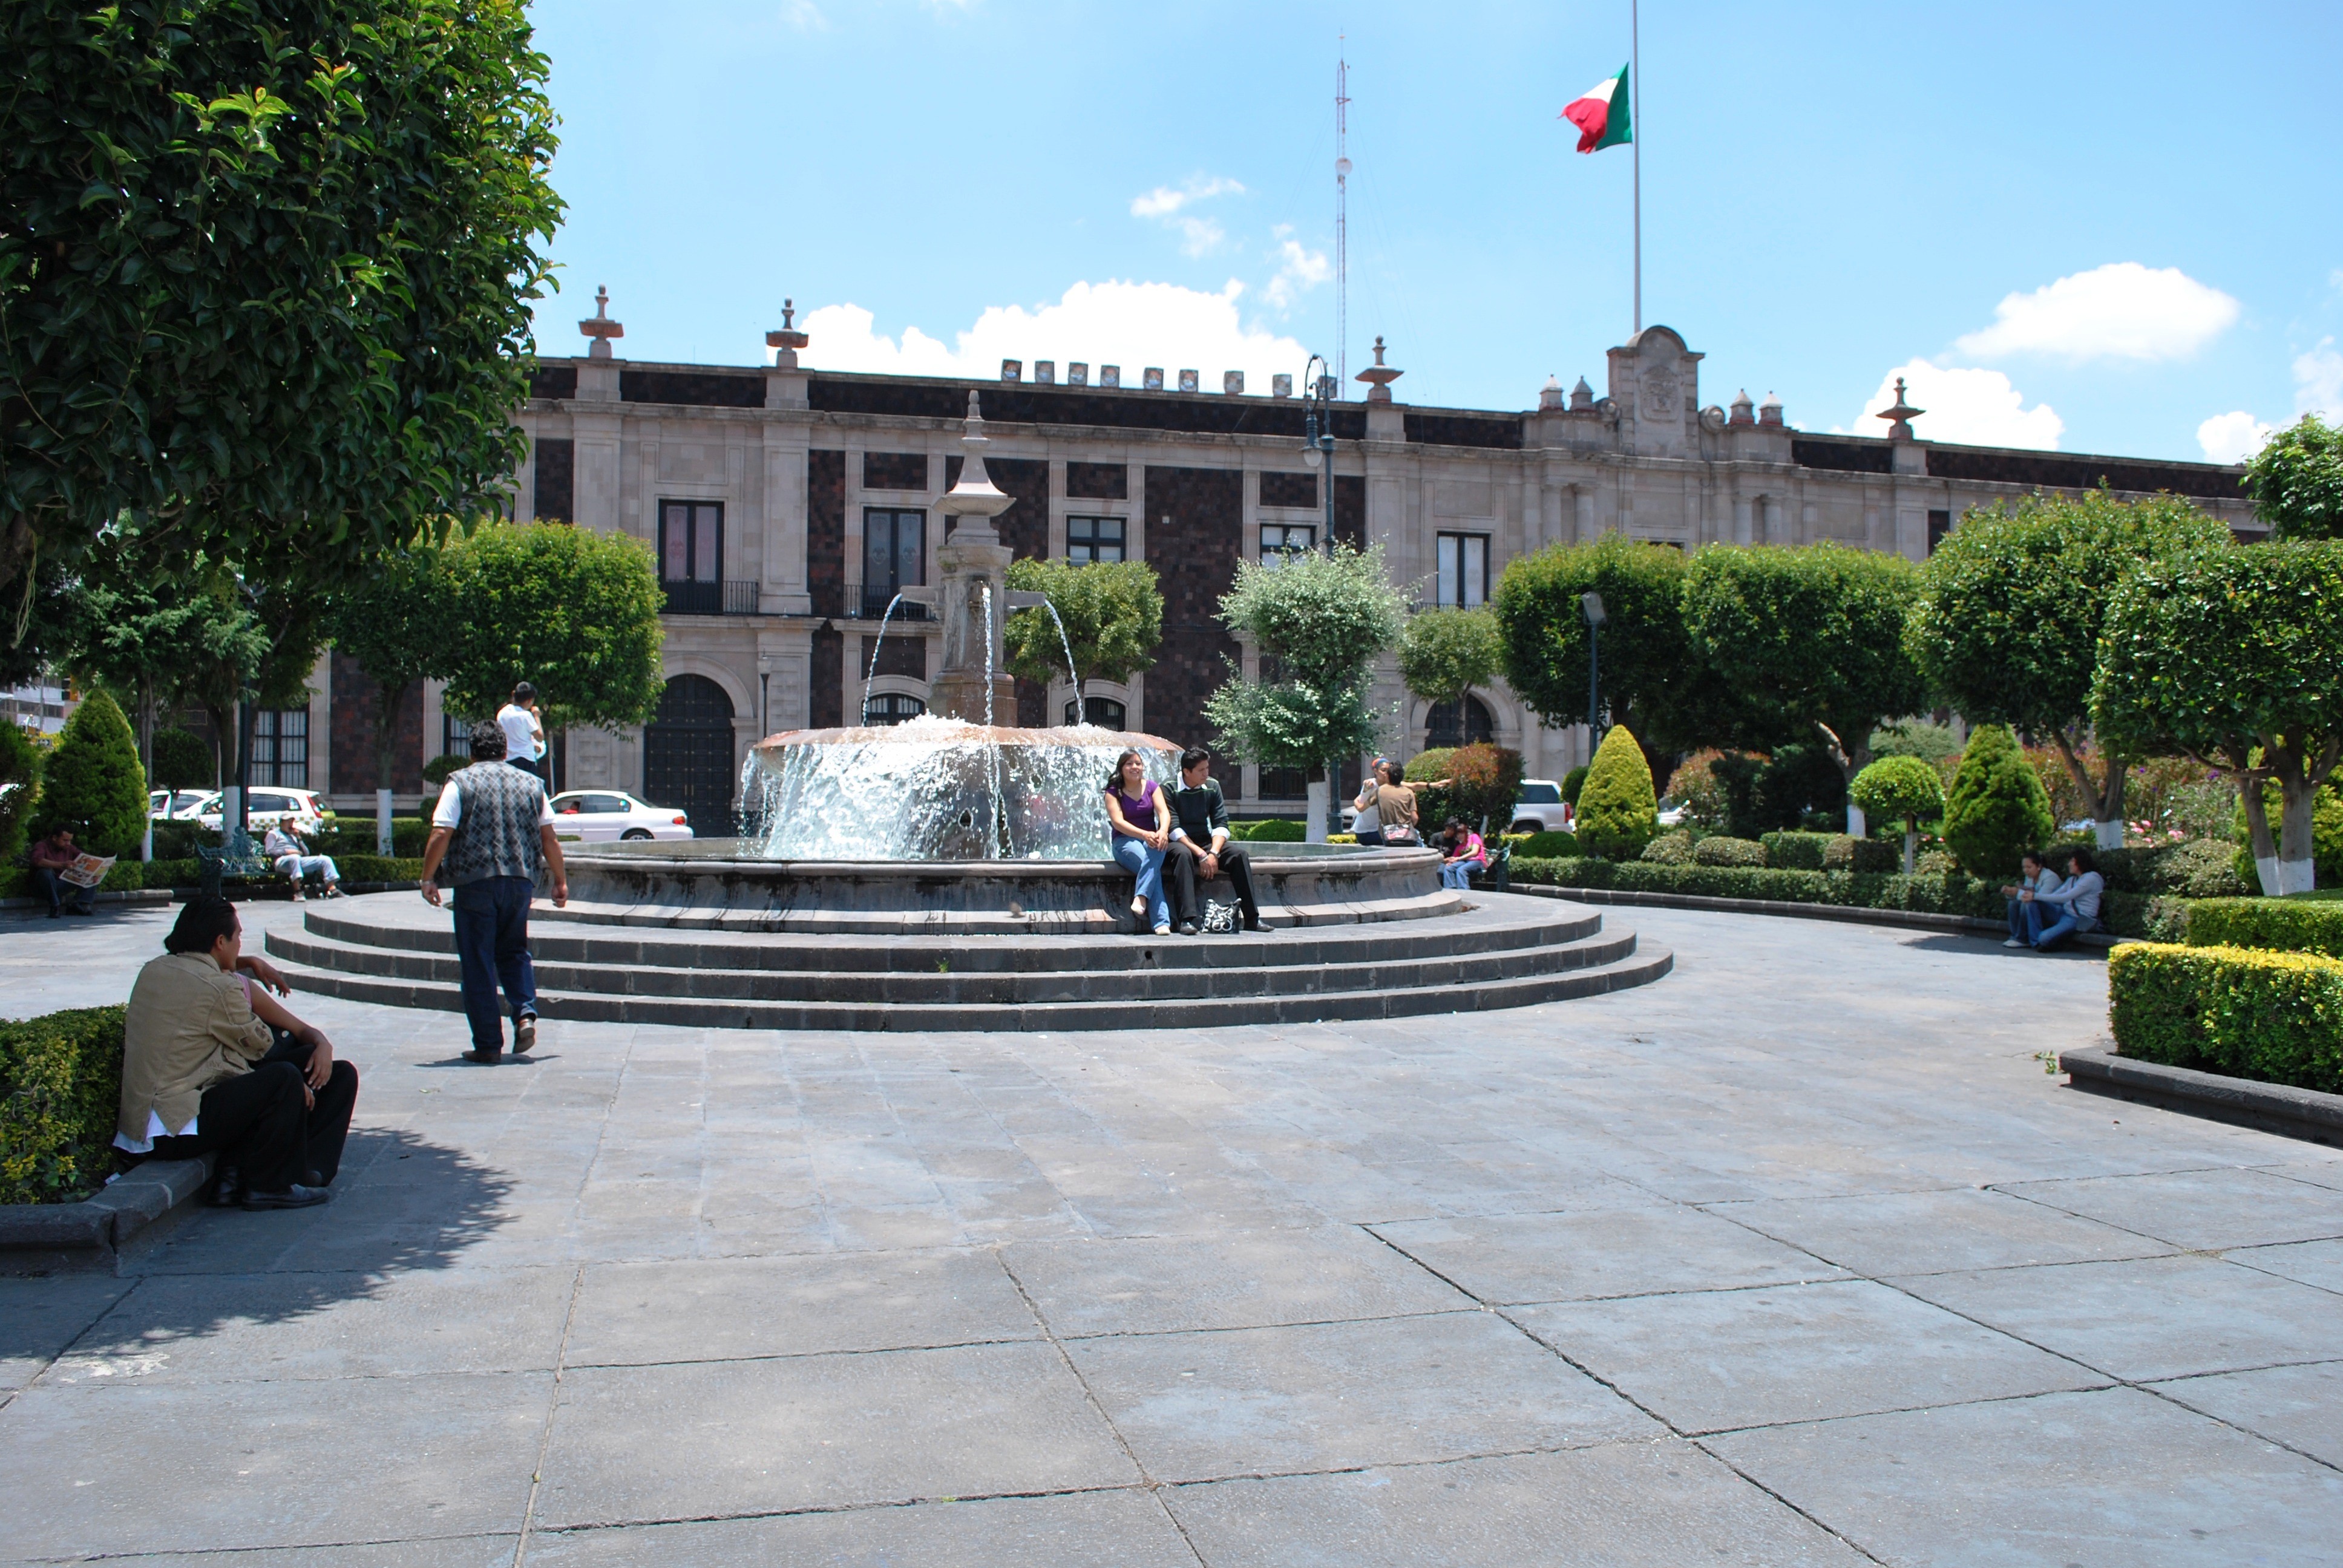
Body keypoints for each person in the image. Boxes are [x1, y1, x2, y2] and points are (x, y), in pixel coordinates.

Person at [117, 896, 356, 1210]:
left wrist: (244, 963)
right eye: (239, 937)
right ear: (220, 941)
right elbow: (264, 1049)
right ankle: (267, 1186)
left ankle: (307, 1171)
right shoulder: (218, 988)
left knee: (337, 1074)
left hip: (149, 1125)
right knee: (283, 1077)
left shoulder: (156, 970)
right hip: (172, 1128)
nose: (241, 945)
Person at [419, 720, 569, 1062]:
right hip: (519, 880)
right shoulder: (533, 784)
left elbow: (441, 832)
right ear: (505, 750)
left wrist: (429, 877)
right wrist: (560, 881)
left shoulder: (460, 782)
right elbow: (550, 838)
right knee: (515, 951)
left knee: (478, 961)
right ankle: (525, 1013)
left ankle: (488, 1043)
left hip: (475, 882)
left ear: (471, 752)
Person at [1163, 746, 1265, 935]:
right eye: (1201, 770)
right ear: (1187, 772)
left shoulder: (1212, 786)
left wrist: (1213, 853)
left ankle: (1252, 918)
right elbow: (1173, 828)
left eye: (1207, 769)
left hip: (1205, 840)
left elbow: (1220, 824)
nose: (1206, 774)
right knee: (1183, 855)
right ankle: (1187, 920)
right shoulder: (1168, 788)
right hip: (1179, 843)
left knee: (1239, 855)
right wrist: (1201, 854)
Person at [1103, 748, 1170, 936]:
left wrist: (1163, 831)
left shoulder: (1152, 787)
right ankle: (1161, 922)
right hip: (1124, 841)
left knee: (1160, 845)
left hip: (1150, 838)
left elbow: (1164, 813)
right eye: (1129, 764)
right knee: (1148, 866)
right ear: (1122, 768)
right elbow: (1118, 823)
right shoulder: (1113, 792)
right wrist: (1144, 835)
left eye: (1138, 763)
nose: (1135, 767)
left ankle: (1141, 897)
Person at [2030, 848, 2105, 952]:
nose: (2069, 864)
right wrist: (2031, 897)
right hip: (2064, 913)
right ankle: (2035, 942)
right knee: (2033, 903)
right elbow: (2055, 896)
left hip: (2076, 918)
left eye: (2072, 861)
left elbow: (2065, 897)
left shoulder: (2091, 878)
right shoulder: (2072, 879)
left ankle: (2045, 940)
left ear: (2080, 862)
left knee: (2044, 938)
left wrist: (2034, 896)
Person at [263, 819, 342, 901]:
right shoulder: (273, 834)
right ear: (281, 823)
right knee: (295, 858)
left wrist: (299, 838)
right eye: (288, 822)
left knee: (325, 860)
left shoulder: (293, 836)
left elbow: (306, 853)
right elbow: (269, 852)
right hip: (281, 862)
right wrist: (287, 852)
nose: (291, 825)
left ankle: (332, 890)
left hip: (297, 861)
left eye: (292, 822)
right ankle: (298, 892)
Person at [1999, 851, 2063, 950]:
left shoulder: (2050, 877)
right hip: (2038, 909)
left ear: (2039, 866)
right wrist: (2011, 893)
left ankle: (2024, 939)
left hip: (2054, 911)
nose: (2026, 870)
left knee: (2028, 903)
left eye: (2029, 867)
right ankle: (2016, 936)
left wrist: (2018, 893)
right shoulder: (2030, 877)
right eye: (2024, 867)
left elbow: (2041, 898)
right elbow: (2026, 894)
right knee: (2014, 904)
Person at [28, 826, 96, 916]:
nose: (68, 843)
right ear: (55, 838)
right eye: (65, 840)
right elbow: (37, 860)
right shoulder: (41, 846)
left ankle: (81, 904)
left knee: (92, 874)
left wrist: (102, 864)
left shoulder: (69, 848)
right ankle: (55, 906)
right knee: (45, 873)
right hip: (43, 886)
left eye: (70, 841)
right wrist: (61, 865)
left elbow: (84, 858)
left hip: (61, 883)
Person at [497, 682, 547, 782]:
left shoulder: (502, 713)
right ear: (530, 701)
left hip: (508, 759)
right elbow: (540, 737)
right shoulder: (526, 716)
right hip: (526, 760)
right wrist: (536, 716)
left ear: (513, 694)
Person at [1438, 818, 1487, 890]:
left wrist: (1459, 858)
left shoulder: (1474, 837)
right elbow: (1454, 858)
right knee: (1448, 869)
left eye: (1462, 833)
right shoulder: (1459, 847)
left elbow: (1475, 852)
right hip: (1465, 862)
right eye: (1458, 834)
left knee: (1461, 870)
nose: (1460, 836)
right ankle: (1451, 889)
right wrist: (1450, 862)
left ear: (1466, 833)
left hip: (1478, 861)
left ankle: (1464, 891)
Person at [1351, 759, 1389, 847]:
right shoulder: (1370, 784)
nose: (1386, 773)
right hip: (1365, 832)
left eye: (1388, 770)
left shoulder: (1391, 785)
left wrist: (1427, 785)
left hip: (1380, 831)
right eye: (1383, 770)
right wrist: (1366, 791)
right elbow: (1360, 805)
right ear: (1375, 771)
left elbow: (1411, 786)